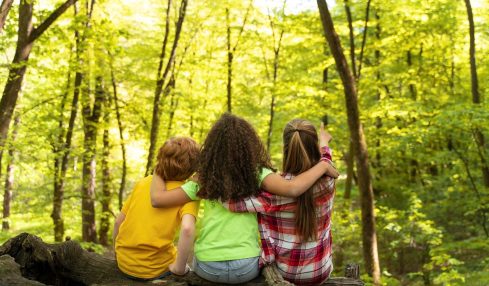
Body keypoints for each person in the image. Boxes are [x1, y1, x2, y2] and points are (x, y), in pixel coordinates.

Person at [150, 113, 338, 284]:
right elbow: (295, 186)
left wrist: (160, 169)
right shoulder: (266, 176)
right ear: (250, 147)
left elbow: (158, 199)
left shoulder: (207, 181)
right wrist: (324, 155)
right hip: (261, 269)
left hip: (218, 268)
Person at [224, 119, 336, 285]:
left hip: (284, 274)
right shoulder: (328, 180)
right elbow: (326, 159)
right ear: (313, 147)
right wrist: (324, 144)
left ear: (286, 149)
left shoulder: (274, 190)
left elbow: (232, 204)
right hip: (320, 272)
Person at [113, 137, 200, 280]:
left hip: (123, 263)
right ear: (192, 167)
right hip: (155, 269)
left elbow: (118, 222)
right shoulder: (187, 194)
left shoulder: (143, 183)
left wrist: (118, 255)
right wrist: (180, 267)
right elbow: (187, 229)